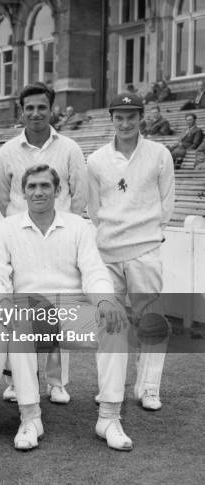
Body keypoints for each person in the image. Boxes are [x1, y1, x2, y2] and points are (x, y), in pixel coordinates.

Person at [0, 164, 133, 452]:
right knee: (18, 322)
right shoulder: (7, 228)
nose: (38, 191)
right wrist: (2, 304)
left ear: (57, 190)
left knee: (114, 324)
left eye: (45, 185)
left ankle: (109, 418)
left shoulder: (78, 226)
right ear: (23, 191)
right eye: (32, 186)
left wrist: (106, 299)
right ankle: (31, 418)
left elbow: (94, 271)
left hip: (72, 310)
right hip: (29, 310)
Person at [0, 82, 88, 402]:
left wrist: (65, 231)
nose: (35, 113)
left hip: (59, 238)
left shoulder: (70, 149)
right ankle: (18, 379)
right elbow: (3, 198)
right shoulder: (7, 151)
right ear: (22, 111)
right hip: (21, 240)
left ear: (52, 109)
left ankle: (56, 381)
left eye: (41, 107)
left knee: (57, 307)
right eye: (29, 108)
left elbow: (80, 194)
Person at [87, 92, 174, 412]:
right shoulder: (96, 159)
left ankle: (148, 387)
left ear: (141, 118)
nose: (126, 123)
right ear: (111, 119)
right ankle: (111, 388)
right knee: (110, 322)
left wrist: (145, 236)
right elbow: (93, 208)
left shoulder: (159, 154)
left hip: (145, 250)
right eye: (119, 117)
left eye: (132, 116)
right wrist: (112, 235)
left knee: (150, 320)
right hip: (107, 251)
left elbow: (167, 204)